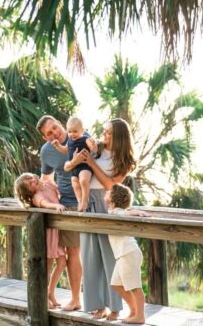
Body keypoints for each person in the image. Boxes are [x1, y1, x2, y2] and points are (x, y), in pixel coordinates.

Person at [67, 118, 136, 320]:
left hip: (108, 204)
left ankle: (114, 306)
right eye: (103, 131)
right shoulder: (93, 146)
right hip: (87, 203)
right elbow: (71, 162)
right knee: (89, 257)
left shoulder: (125, 160)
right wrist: (79, 161)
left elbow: (111, 185)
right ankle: (96, 304)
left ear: (119, 136)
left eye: (108, 133)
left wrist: (91, 164)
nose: (104, 135)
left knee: (109, 258)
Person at [37, 115, 83, 311]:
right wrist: (41, 200)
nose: (55, 133)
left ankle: (84, 300)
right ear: (45, 138)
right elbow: (45, 178)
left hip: (87, 204)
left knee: (82, 253)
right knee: (68, 253)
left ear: (59, 122)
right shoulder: (47, 152)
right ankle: (73, 299)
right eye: (49, 133)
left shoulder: (79, 138)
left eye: (55, 127)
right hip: (65, 206)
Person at [15, 172, 68, 309]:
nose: (33, 181)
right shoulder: (36, 197)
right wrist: (54, 206)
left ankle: (51, 292)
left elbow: (59, 190)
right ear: (28, 192)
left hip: (58, 232)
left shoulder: (48, 184)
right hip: (49, 234)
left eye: (31, 178)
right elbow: (44, 204)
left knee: (62, 263)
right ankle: (44, 297)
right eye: (29, 184)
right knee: (48, 267)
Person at [104, 183, 150, 324]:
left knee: (135, 287)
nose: (106, 191)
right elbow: (125, 211)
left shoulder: (118, 211)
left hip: (128, 253)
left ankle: (140, 317)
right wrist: (131, 210)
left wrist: (136, 212)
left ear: (113, 199)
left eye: (109, 191)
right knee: (116, 284)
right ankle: (134, 310)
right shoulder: (112, 211)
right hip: (123, 255)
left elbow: (125, 212)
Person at [51, 116, 99, 212]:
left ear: (82, 130)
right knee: (75, 185)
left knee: (83, 181)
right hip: (74, 169)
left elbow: (94, 149)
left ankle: (85, 200)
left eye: (75, 131)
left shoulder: (86, 139)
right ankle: (80, 201)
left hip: (84, 166)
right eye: (69, 131)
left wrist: (93, 145)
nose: (72, 134)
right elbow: (64, 150)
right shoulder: (70, 142)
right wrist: (57, 146)